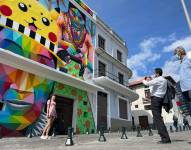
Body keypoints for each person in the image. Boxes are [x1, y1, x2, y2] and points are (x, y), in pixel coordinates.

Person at [142, 68, 171, 144]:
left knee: (157, 119)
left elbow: (146, 84)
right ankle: (166, 137)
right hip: (160, 99)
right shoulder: (164, 80)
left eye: (154, 73)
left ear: (157, 73)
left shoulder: (158, 79)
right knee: (159, 118)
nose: (154, 74)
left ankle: (165, 138)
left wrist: (143, 79)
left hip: (156, 99)